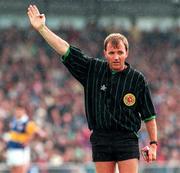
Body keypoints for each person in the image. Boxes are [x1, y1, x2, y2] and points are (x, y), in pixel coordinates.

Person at [27, 5, 158, 173]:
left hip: (126, 138)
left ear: (127, 53)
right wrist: (42, 28)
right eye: (111, 52)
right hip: (101, 138)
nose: (116, 56)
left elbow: (149, 116)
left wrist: (153, 145)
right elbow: (65, 49)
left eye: (120, 52)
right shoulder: (93, 69)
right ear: (105, 53)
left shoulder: (137, 79)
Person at [4, 103, 45, 173]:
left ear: (23, 111)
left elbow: (41, 134)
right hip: (12, 149)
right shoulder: (14, 120)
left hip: (20, 150)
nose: (17, 112)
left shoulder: (27, 122)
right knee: (13, 170)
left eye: (19, 110)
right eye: (16, 110)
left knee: (20, 170)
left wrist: (28, 140)